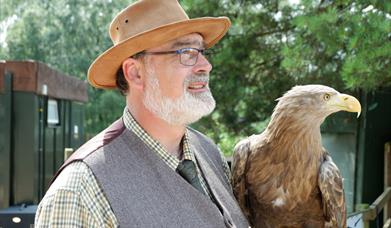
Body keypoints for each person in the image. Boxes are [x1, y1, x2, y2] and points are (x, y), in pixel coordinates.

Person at [34, 0, 249, 227]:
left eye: (202, 51)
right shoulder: (80, 190)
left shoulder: (209, 153)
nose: (205, 65)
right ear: (135, 73)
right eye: (186, 52)